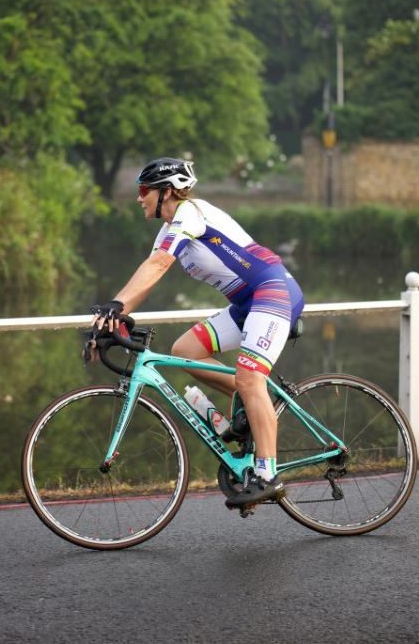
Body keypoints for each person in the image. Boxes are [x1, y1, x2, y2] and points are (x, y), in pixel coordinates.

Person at [89, 157, 304, 508]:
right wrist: (116, 313)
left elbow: (157, 266)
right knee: (185, 349)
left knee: (250, 378)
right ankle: (254, 405)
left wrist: (116, 304)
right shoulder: (169, 229)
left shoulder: (191, 213)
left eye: (144, 190)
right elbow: (150, 275)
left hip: (273, 292)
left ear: (168, 192)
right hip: (247, 303)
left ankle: (268, 474)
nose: (139, 198)